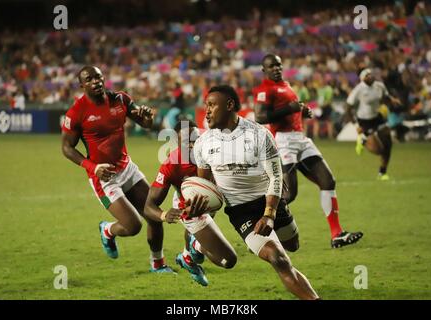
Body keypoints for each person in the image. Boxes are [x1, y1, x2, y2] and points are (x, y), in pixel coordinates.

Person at [195, 84, 319, 300]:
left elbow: (276, 177)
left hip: (270, 201)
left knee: (293, 245)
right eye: (206, 105)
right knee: (278, 259)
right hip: (242, 212)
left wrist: (269, 214)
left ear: (230, 105)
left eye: (212, 105)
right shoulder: (202, 144)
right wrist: (197, 206)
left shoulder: (259, 134)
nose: (207, 111)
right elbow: (205, 186)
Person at [61, 66, 174, 273]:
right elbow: (66, 147)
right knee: (133, 226)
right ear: (82, 85)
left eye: (98, 77)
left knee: (154, 215)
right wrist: (92, 167)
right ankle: (108, 230)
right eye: (89, 79)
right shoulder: (77, 112)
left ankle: (158, 264)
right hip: (104, 177)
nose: (96, 81)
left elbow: (146, 123)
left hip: (127, 168)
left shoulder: (120, 100)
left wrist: (148, 116)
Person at [253, 54, 363, 248]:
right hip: (283, 140)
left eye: (279, 65)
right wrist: (289, 109)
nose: (277, 68)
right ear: (264, 70)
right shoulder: (265, 90)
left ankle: (336, 234)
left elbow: (289, 108)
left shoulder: (286, 85)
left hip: (301, 138)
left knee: (328, 181)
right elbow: (261, 117)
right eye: (272, 66)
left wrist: (300, 110)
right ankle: (257, 221)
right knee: (289, 194)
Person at [145, 120, 237, 286]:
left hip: (210, 199)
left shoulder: (213, 149)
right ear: (178, 144)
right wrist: (164, 215)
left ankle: (188, 256)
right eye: (188, 142)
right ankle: (193, 250)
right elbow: (148, 206)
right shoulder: (172, 164)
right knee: (227, 260)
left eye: (197, 139)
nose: (194, 144)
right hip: (188, 207)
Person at [346, 68, 402, 180]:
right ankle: (363, 140)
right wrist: (356, 126)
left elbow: (385, 96)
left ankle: (382, 172)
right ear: (362, 78)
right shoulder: (359, 89)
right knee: (378, 150)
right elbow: (348, 107)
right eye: (367, 75)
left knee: (388, 144)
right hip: (364, 121)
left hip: (377, 117)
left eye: (371, 74)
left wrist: (392, 100)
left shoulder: (379, 86)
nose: (370, 76)